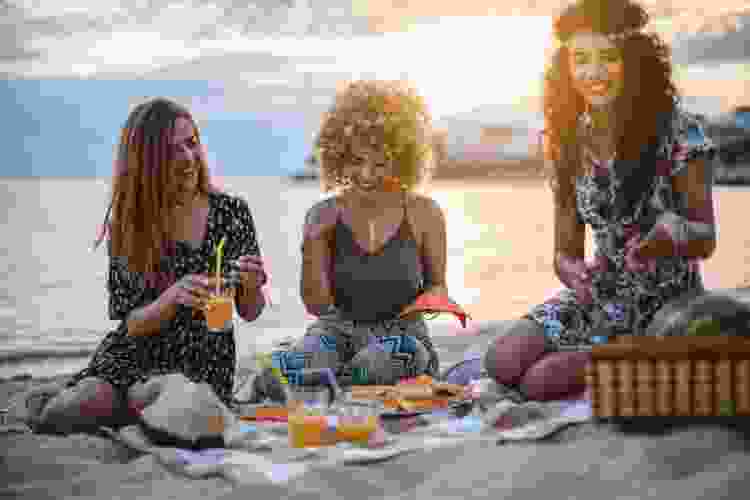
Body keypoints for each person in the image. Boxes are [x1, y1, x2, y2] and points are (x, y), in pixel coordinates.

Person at [483, 0, 717, 401]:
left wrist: (673, 235)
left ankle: (650, 362)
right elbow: (565, 252)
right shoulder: (566, 142)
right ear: (566, 68)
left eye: (608, 57)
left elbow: (705, 237)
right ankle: (607, 352)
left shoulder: (681, 132)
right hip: (603, 296)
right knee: (501, 361)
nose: (593, 72)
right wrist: (573, 272)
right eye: (580, 60)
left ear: (634, 61)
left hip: (669, 307)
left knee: (540, 382)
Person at [27, 98, 268, 434]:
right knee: (63, 415)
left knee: (178, 410)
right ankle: (105, 396)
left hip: (206, 367)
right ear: (148, 161)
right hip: (135, 358)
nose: (187, 157)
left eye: (191, 143)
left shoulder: (233, 212)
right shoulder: (130, 223)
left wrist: (253, 286)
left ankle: (124, 404)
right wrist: (171, 298)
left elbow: (251, 310)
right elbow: (133, 323)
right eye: (172, 151)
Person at [273, 80, 446, 386]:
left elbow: (437, 288)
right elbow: (317, 307)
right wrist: (312, 242)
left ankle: (325, 381)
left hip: (401, 336)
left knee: (397, 356)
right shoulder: (322, 214)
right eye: (356, 160)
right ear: (338, 155)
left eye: (379, 163)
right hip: (337, 332)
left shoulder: (424, 213)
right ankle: (333, 376)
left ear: (401, 159)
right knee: (303, 357)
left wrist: (430, 300)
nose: (366, 174)